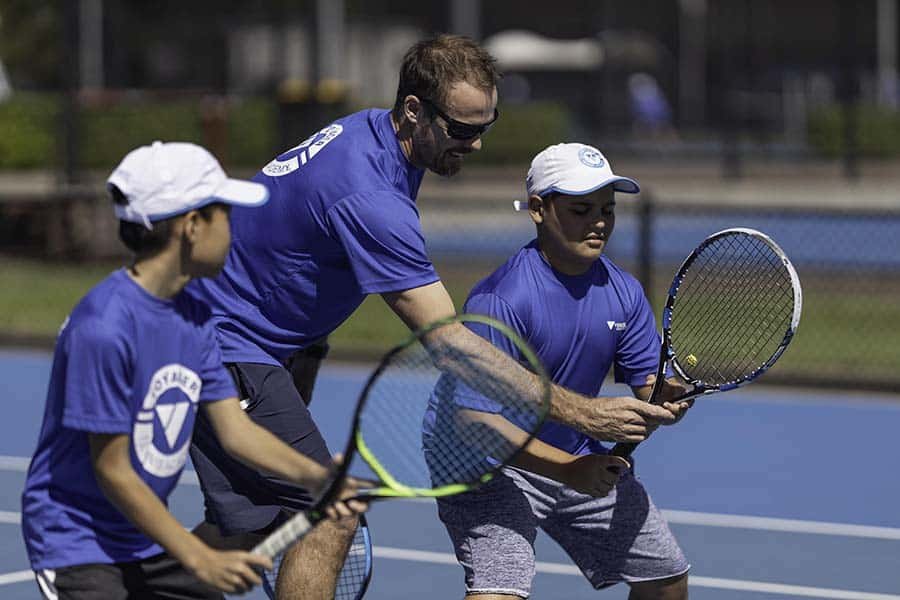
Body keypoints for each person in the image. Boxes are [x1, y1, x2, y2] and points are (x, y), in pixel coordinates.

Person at [186, 35, 680, 599]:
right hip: (230, 343)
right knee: (331, 508)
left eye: (485, 127)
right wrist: (583, 414)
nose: (474, 145)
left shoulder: (373, 132)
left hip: (259, 339)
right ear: (414, 111)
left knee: (247, 528)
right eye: (463, 130)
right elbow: (450, 344)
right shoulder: (372, 195)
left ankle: (132, 586)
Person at [20, 141, 367, 600]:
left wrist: (316, 477)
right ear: (191, 226)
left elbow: (235, 431)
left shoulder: (197, 315)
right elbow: (113, 470)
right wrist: (197, 555)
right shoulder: (103, 327)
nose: (234, 225)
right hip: (78, 548)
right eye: (224, 212)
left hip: (139, 538)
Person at [433, 143, 692, 600]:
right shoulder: (501, 300)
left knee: (665, 580)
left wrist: (664, 396)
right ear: (538, 209)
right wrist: (570, 470)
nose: (598, 222)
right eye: (580, 209)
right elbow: (474, 423)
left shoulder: (623, 292)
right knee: (501, 584)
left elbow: (648, 382)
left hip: (578, 454)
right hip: (487, 462)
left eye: (607, 210)